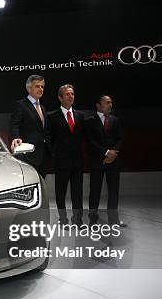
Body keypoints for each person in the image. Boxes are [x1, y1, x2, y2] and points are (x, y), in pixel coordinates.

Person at [47, 84, 85, 224]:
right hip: (61, 162)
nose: (71, 96)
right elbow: (48, 138)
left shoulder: (80, 116)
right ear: (60, 97)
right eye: (68, 94)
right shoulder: (51, 117)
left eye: (72, 94)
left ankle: (78, 219)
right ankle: (63, 219)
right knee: (60, 193)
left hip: (77, 162)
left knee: (77, 193)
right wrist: (54, 154)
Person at [86, 95, 125, 226]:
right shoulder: (90, 121)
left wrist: (114, 153)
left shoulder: (115, 120)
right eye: (107, 102)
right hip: (97, 161)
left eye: (111, 103)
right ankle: (93, 218)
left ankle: (114, 219)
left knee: (114, 190)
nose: (110, 105)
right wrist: (106, 153)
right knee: (95, 190)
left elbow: (120, 139)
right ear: (98, 105)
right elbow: (90, 141)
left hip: (113, 161)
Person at [10, 75, 52, 179]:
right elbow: (14, 125)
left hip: (43, 155)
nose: (41, 89)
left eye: (42, 87)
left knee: (41, 186)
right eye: (37, 86)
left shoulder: (42, 107)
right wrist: (16, 137)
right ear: (29, 88)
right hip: (28, 155)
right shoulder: (21, 105)